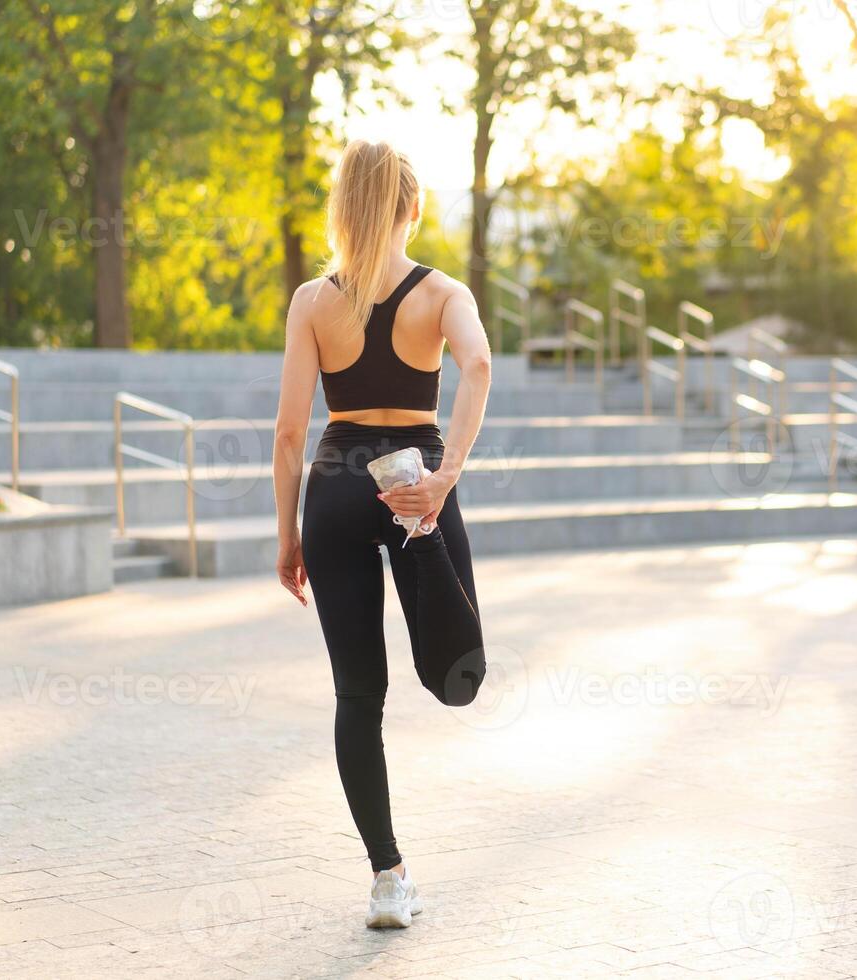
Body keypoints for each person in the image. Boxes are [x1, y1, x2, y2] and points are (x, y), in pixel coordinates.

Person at [271, 139, 491, 929]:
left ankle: (387, 878)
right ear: (414, 206)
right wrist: (443, 477)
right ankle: (423, 541)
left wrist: (289, 536)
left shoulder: (310, 301)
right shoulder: (443, 293)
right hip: (413, 478)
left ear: (342, 210)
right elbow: (480, 366)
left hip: (332, 485)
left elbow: (291, 432)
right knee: (458, 676)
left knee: (359, 695)